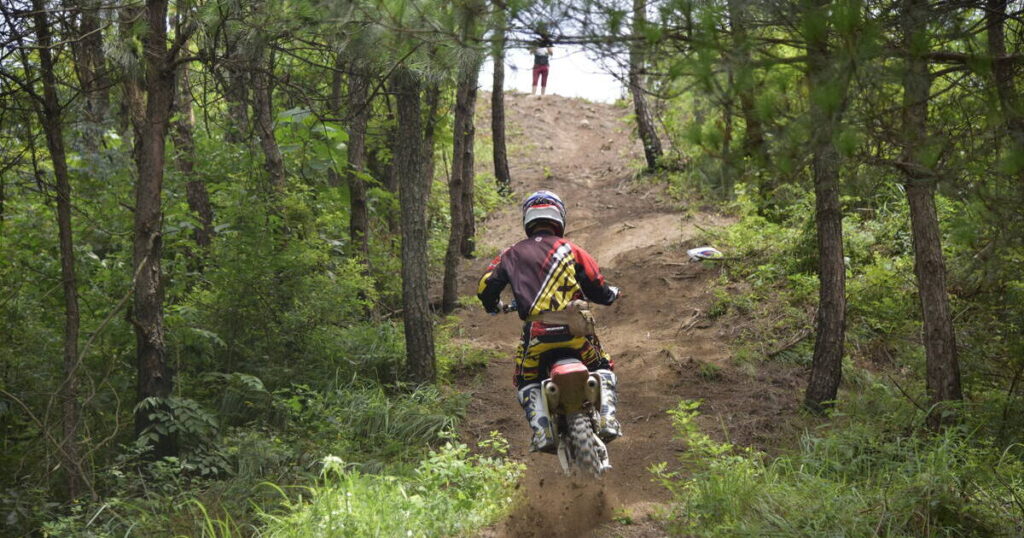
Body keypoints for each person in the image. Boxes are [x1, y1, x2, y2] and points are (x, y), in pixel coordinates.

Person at [477, 190, 622, 453]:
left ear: (528, 219)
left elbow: (485, 286)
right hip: (576, 331)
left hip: (538, 334)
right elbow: (596, 284)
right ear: (559, 217)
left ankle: (542, 430)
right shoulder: (571, 249)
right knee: (602, 364)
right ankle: (608, 416)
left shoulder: (511, 254)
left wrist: (493, 306)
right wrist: (610, 295)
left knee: (525, 378)